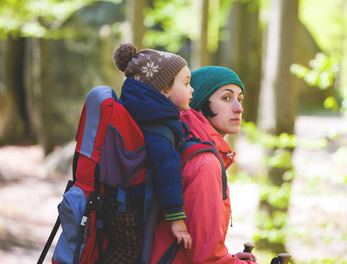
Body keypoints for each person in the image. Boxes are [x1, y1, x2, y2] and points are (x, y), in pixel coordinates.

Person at [150, 66, 258, 263]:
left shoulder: (187, 145)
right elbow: (207, 259)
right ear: (199, 103)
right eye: (226, 98)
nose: (239, 108)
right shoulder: (204, 162)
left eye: (239, 99)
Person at [106, 43, 193, 263]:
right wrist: (176, 217)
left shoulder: (145, 113)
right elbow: (168, 172)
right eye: (186, 83)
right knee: (128, 251)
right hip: (125, 205)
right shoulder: (158, 130)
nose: (192, 89)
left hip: (118, 198)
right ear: (163, 90)